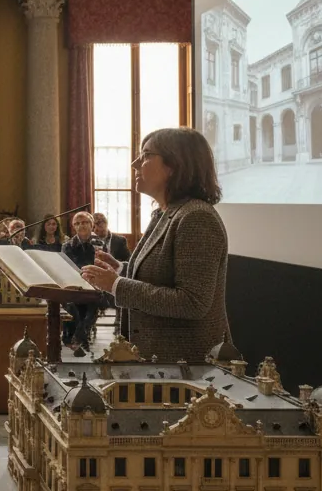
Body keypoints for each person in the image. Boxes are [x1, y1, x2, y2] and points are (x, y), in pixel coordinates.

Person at [81, 127, 230, 363]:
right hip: (159, 359)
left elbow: (193, 303)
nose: (135, 163)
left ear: (175, 165)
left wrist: (117, 285)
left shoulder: (196, 217)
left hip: (186, 365)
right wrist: (121, 270)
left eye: (146, 155)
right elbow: (162, 275)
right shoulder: (165, 213)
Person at [62, 212, 100, 358]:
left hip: (96, 284)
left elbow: (103, 264)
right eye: (77, 223)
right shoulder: (68, 246)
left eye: (84, 222)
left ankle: (78, 338)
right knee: (72, 305)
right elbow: (69, 267)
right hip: (75, 284)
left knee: (93, 304)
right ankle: (80, 339)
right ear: (74, 228)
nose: (81, 225)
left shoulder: (99, 244)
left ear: (92, 225)